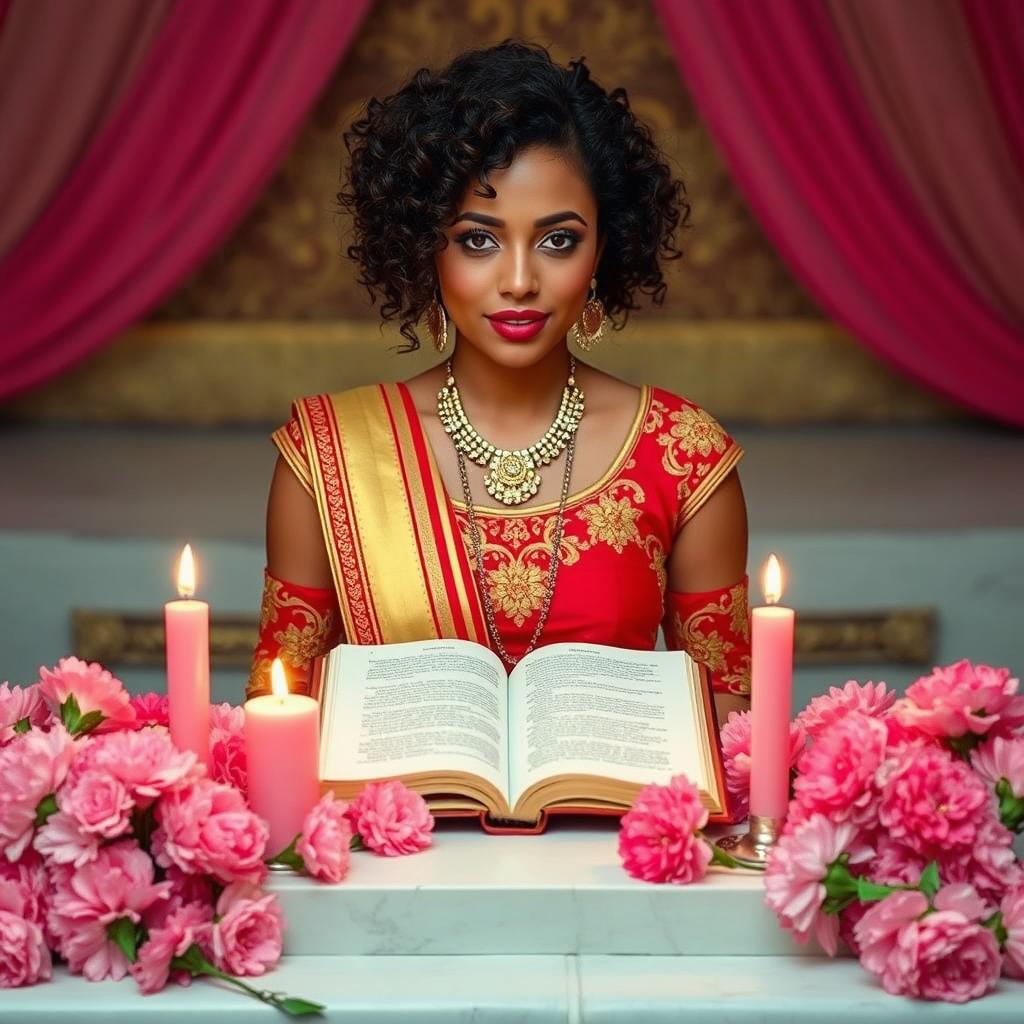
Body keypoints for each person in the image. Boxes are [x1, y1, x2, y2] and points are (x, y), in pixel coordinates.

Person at [247, 40, 751, 726]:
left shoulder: (683, 457)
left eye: (558, 240)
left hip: (621, 829)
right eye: (479, 240)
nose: (519, 280)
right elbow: (281, 708)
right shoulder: (326, 456)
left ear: (603, 248)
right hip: (396, 830)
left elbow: (730, 728)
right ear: (427, 247)